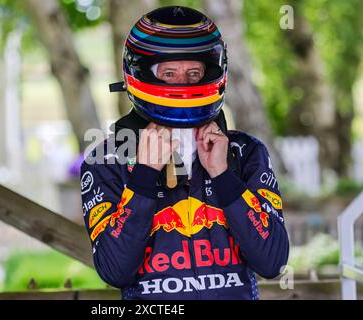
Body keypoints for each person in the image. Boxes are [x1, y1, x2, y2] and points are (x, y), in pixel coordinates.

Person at [80, 6, 289, 300]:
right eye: (169, 74)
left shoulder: (245, 152)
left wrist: (223, 175)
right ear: (141, 73)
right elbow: (115, 270)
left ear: (214, 73)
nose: (183, 85)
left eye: (194, 73)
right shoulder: (105, 160)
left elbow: (273, 262)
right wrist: (144, 174)